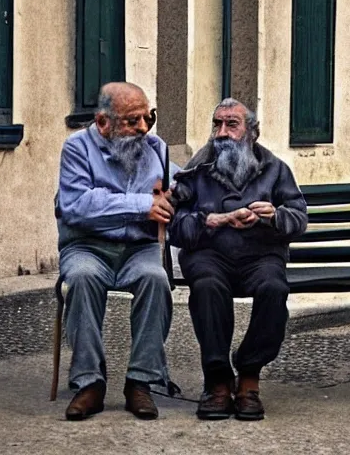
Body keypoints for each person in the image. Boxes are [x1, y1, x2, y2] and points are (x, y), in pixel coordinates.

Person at [169, 98, 308, 421]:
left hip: (260, 255)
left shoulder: (275, 169)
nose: (222, 133)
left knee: (274, 288)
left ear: (251, 132)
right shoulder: (197, 170)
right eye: (217, 125)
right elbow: (175, 227)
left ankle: (248, 374)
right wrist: (212, 220)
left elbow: (298, 218)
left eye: (232, 125)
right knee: (206, 286)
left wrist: (275, 216)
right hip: (209, 254)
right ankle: (217, 381)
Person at [55, 82, 176, 421]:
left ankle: (140, 381)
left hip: (139, 248)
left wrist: (179, 200)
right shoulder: (77, 148)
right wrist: (143, 205)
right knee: (82, 277)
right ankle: (89, 383)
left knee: (156, 279)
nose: (142, 128)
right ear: (103, 122)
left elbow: (177, 188)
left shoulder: (156, 148)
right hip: (87, 245)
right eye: (131, 121)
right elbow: (77, 204)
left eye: (146, 118)